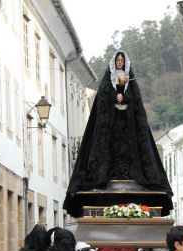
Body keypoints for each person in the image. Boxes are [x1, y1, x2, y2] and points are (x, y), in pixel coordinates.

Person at [64, 51, 173, 216]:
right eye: (118, 60)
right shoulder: (107, 83)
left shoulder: (131, 81)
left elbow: (136, 103)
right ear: (114, 63)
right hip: (110, 127)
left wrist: (126, 98)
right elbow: (101, 103)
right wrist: (114, 97)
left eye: (122, 60)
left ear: (125, 62)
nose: (120, 62)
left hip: (128, 126)